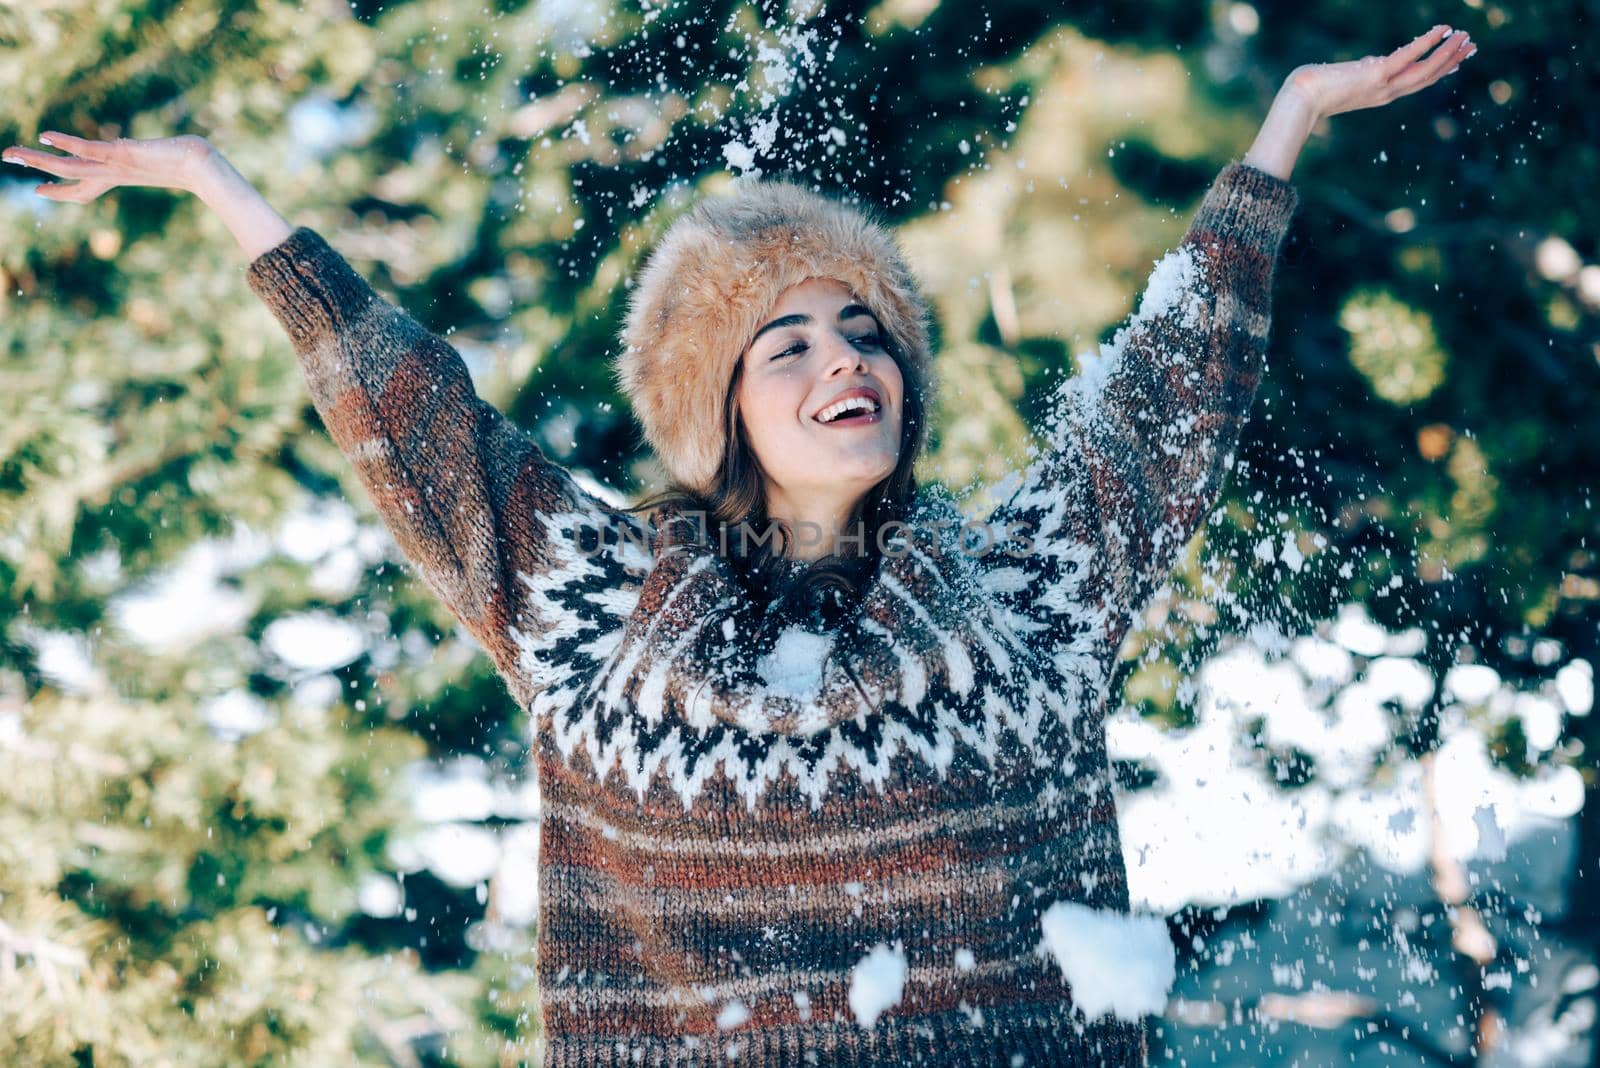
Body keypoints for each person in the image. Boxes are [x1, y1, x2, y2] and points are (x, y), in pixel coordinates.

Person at [4, 23, 1476, 1066]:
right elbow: (408, 411)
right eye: (786, 342)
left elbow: (1171, 395)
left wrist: (1281, 126)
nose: (848, 357)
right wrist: (217, 184)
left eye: (866, 328)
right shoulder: (589, 609)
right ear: (717, 415)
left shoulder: (1029, 589)